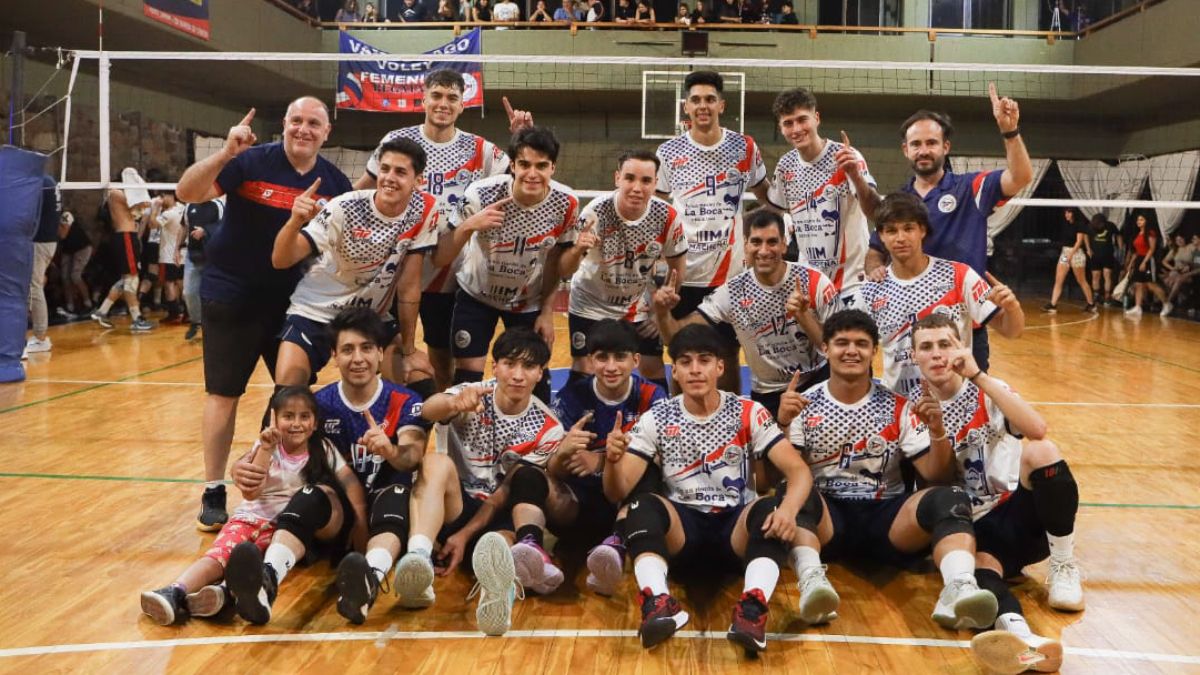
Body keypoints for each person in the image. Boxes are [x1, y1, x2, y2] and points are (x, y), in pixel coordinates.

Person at [176, 99, 353, 532]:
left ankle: (282, 482)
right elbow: (188, 192)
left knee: (293, 396)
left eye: (314, 124)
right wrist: (225, 153)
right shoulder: (249, 161)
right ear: (285, 125)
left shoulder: (334, 183)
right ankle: (214, 487)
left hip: (293, 304)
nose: (303, 130)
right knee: (223, 393)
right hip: (231, 292)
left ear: (327, 132)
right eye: (297, 121)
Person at [782, 309, 1000, 632]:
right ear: (825, 348)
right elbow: (779, 476)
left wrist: (938, 429)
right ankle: (812, 580)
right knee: (792, 495)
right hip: (829, 518)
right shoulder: (802, 404)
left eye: (862, 343)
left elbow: (936, 476)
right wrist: (783, 424)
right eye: (842, 343)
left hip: (887, 519)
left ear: (875, 352)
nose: (852, 351)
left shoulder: (899, 406)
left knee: (950, 497)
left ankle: (959, 586)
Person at [602, 324, 815, 652]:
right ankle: (658, 604)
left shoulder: (748, 412)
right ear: (675, 372)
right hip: (682, 533)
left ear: (720, 367)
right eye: (685, 362)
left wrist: (788, 509)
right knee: (640, 505)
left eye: (704, 360)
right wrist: (612, 462)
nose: (695, 369)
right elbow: (617, 491)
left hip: (735, 533)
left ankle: (752, 610)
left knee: (769, 509)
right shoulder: (657, 417)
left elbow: (799, 471)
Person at [911, 313, 1083, 674]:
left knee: (1042, 451)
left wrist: (979, 375)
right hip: (974, 528)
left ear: (960, 348)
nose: (937, 354)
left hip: (1019, 513)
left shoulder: (986, 388)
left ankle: (1064, 563)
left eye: (945, 344)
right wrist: (938, 430)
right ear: (914, 356)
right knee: (978, 575)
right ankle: (1024, 641)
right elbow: (934, 484)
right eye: (926, 347)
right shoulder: (914, 410)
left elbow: (1037, 428)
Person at [394, 327, 571, 635]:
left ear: (541, 374)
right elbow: (427, 409)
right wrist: (452, 405)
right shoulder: (471, 393)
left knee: (499, 543)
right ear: (495, 366)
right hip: (455, 502)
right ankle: (418, 557)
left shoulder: (549, 429)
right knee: (435, 461)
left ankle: (496, 595)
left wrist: (463, 536)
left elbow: (504, 494)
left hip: (497, 513)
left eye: (528, 367)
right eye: (510, 364)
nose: (517, 375)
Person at [139, 386, 358, 625]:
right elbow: (253, 492)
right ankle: (176, 590)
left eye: (304, 416)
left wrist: (358, 524)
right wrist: (265, 449)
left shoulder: (323, 449)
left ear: (315, 423)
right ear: (274, 419)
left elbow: (349, 483)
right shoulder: (265, 447)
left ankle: (222, 594)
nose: (296, 423)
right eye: (288, 416)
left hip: (281, 529)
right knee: (216, 557)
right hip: (249, 518)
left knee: (250, 568)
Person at [355, 70, 512, 394]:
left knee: (442, 353)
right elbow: (360, 192)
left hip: (449, 269)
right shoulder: (397, 141)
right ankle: (397, 415)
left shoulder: (480, 150)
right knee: (392, 349)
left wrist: (522, 138)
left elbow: (527, 180)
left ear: (462, 103)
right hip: (398, 266)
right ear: (423, 98)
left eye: (452, 97)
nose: (443, 104)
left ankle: (442, 421)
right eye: (437, 96)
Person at [867, 84, 1033, 372]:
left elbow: (1020, 176)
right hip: (910, 325)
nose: (923, 150)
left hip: (964, 322)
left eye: (931, 143)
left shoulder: (970, 188)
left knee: (965, 401)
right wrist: (874, 269)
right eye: (916, 144)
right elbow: (874, 250)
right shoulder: (899, 202)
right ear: (906, 150)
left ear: (946, 147)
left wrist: (1010, 132)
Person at [271, 138, 438, 396]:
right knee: (287, 394)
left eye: (400, 172)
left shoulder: (425, 209)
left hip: (371, 315)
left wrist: (409, 349)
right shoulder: (345, 207)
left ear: (418, 180)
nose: (389, 178)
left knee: (418, 382)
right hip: (317, 310)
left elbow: (409, 285)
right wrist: (294, 223)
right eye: (385, 169)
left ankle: (389, 437)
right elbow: (281, 260)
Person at [434, 126, 578, 402]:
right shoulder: (481, 194)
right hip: (476, 295)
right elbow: (440, 256)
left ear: (553, 168)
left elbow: (555, 264)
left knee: (532, 376)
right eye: (524, 164)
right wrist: (469, 226)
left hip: (526, 301)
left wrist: (547, 313)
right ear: (512, 165)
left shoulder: (566, 203)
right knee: (467, 378)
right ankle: (457, 441)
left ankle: (535, 442)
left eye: (541, 165)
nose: (532, 174)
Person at [654, 209, 838, 420]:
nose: (764, 250)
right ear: (745, 245)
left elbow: (835, 350)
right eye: (756, 242)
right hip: (769, 394)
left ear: (784, 244)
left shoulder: (814, 283)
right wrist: (661, 312)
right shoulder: (732, 292)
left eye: (772, 242)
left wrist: (804, 316)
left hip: (817, 383)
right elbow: (675, 339)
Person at [309, 309, 431, 624]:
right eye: (347, 350)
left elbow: (413, 455)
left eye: (366, 348)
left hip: (388, 501)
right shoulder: (319, 405)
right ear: (334, 356)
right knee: (309, 496)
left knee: (395, 492)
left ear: (379, 353)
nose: (358, 358)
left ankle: (369, 582)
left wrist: (390, 449)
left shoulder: (404, 399)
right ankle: (268, 577)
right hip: (342, 510)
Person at [656, 70, 769, 394]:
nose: (702, 106)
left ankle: (731, 428)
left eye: (709, 99)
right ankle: (680, 427)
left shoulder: (744, 146)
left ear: (721, 104)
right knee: (680, 352)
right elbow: (658, 212)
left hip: (729, 274)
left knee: (727, 353)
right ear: (686, 107)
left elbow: (767, 197)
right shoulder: (668, 152)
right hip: (684, 272)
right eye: (695, 100)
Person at [859, 192, 1024, 401]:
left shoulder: (959, 275)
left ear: (922, 230)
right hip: (901, 405)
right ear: (881, 236)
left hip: (956, 402)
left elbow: (1012, 331)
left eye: (908, 228)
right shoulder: (872, 289)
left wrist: (1012, 308)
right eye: (891, 230)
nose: (900, 238)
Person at [550, 319, 668, 595]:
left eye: (620, 357)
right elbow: (556, 470)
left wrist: (602, 460)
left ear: (636, 360)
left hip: (629, 500)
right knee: (541, 480)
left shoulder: (653, 395)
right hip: (586, 504)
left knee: (650, 470)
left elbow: (663, 457)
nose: (611, 366)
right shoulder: (571, 397)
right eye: (602, 358)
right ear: (590, 362)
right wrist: (563, 451)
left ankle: (616, 543)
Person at [559, 150, 687, 392]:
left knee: (651, 367)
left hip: (636, 304)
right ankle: (578, 422)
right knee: (585, 366)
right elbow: (565, 270)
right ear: (617, 178)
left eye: (646, 181)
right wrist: (577, 250)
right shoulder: (595, 212)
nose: (637, 187)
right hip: (591, 303)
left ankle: (655, 423)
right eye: (630, 178)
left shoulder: (667, 216)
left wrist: (660, 312)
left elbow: (677, 268)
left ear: (656, 183)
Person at [766, 88, 881, 306]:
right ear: (781, 128)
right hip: (811, 284)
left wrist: (855, 175)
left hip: (852, 283)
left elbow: (876, 212)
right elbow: (774, 213)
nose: (796, 129)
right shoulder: (785, 167)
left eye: (802, 120)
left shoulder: (847, 155)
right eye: (788, 123)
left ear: (816, 118)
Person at [90, 170, 155, 333]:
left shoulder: (121, 193)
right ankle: (136, 318)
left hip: (128, 236)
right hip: (124, 236)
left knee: (127, 279)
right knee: (131, 279)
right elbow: (139, 204)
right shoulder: (115, 192)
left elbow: (141, 206)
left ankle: (102, 311)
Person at [25, 175, 60, 357]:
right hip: (47, 241)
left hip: (40, 241)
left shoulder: (38, 182)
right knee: (32, 285)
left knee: (34, 286)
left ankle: (40, 337)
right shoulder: (49, 181)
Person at [181, 197, 224, 341]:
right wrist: (176, 248)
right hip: (191, 255)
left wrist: (205, 231)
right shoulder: (189, 206)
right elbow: (183, 227)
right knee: (189, 292)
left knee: (212, 294)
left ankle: (214, 325)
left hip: (211, 255)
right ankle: (195, 322)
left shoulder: (218, 205)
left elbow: (225, 225)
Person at [1042, 209, 1096, 314]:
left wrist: (1071, 255)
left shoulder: (1079, 225)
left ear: (1074, 213)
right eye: (1066, 212)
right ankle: (1053, 305)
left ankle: (1091, 304)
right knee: (1059, 279)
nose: (1067, 215)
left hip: (1076, 254)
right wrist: (1067, 255)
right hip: (1065, 252)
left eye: (1069, 212)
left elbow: (1079, 241)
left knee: (1081, 280)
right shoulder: (1065, 225)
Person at [1123, 213, 1169, 318]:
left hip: (1148, 260)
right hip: (1139, 259)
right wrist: (1131, 263)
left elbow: (1151, 249)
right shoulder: (1138, 233)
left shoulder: (1151, 233)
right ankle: (1138, 307)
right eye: (1138, 220)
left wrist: (1144, 262)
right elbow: (1136, 251)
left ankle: (1166, 304)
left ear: (1146, 221)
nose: (1139, 222)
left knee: (1150, 284)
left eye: (1141, 220)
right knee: (1138, 284)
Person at [153, 189, 187, 323]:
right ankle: (188, 313)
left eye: (162, 196)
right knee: (181, 284)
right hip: (183, 253)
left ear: (170, 196)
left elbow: (152, 224)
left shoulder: (168, 214)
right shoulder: (183, 208)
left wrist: (155, 208)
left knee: (168, 284)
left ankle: (174, 314)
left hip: (168, 255)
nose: (161, 199)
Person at [57, 210, 94, 317]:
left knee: (75, 276)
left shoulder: (66, 215)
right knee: (64, 277)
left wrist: (55, 228)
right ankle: (70, 307)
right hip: (68, 249)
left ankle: (88, 304)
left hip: (82, 247)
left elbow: (63, 234)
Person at [1087, 213, 1121, 307]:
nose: (1098, 227)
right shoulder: (1090, 226)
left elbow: (1118, 235)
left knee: (1107, 275)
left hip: (1107, 254)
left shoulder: (1110, 225)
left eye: (1100, 225)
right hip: (1095, 255)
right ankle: (1096, 295)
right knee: (1095, 276)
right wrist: (1088, 248)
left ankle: (1107, 296)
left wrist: (1120, 248)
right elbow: (1085, 236)